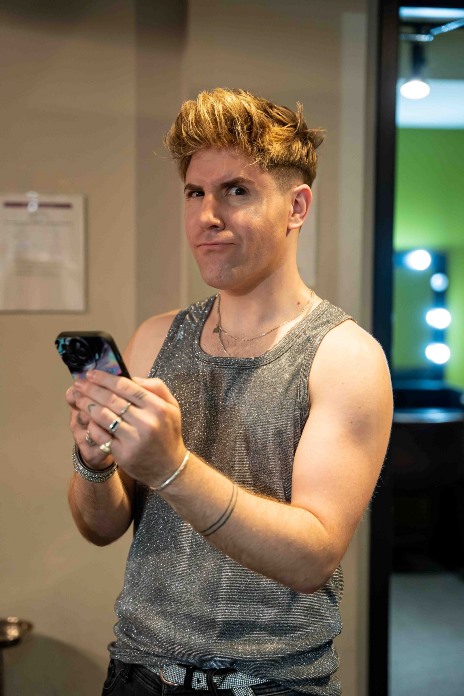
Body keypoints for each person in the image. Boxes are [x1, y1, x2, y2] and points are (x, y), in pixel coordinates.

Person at [66, 88, 393, 696]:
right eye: (195, 193)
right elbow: (102, 527)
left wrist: (171, 467)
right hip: (138, 671)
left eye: (236, 191)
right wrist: (94, 461)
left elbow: (313, 558)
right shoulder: (156, 338)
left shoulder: (346, 358)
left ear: (296, 206)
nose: (206, 216)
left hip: (271, 683)